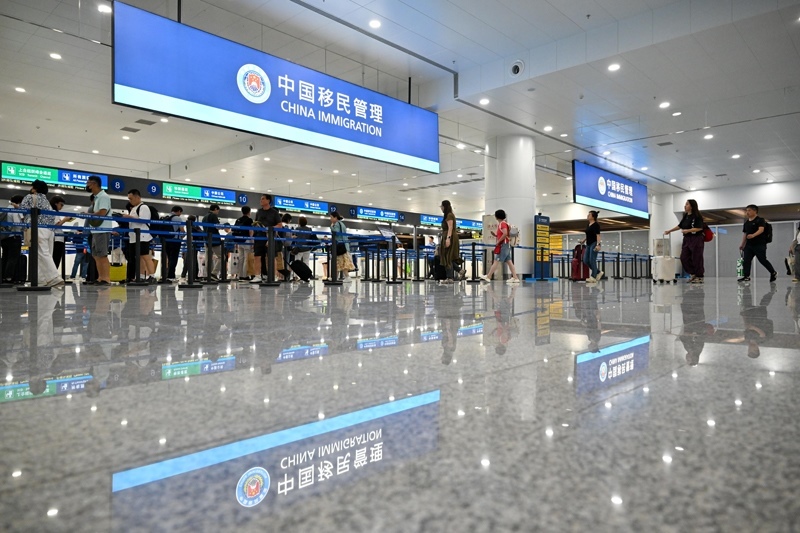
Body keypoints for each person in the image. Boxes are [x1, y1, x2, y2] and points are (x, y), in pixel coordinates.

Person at [19, 179, 62, 287]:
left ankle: (54, 277)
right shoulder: (46, 201)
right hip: (49, 230)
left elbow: (22, 210)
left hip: (37, 228)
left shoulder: (30, 197)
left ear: (35, 188)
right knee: (43, 254)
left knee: (42, 253)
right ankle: (41, 280)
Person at [664, 199, 705, 283]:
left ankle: (699, 276)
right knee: (684, 257)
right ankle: (693, 273)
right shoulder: (686, 216)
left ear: (692, 206)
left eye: (687, 204)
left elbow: (699, 228)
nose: (685, 206)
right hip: (687, 239)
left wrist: (688, 230)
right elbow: (680, 226)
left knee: (697, 257)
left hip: (696, 238)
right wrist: (669, 231)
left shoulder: (697, 216)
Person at [738, 204, 777, 283]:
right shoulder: (746, 223)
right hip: (749, 245)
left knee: (762, 260)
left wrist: (753, 235)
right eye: (746, 210)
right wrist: (742, 244)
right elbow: (745, 234)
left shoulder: (760, 220)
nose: (747, 212)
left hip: (759, 244)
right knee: (746, 260)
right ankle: (746, 276)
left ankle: (773, 272)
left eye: (749, 210)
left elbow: (761, 230)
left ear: (755, 211)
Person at [479, 209, 520, 284]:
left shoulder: (502, 224)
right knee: (509, 262)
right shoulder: (505, 224)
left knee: (496, 260)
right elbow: (505, 234)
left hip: (503, 245)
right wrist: (496, 235)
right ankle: (515, 277)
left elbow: (505, 233)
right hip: (506, 245)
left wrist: (498, 241)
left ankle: (488, 276)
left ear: (497, 216)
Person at [85, 175, 112, 285]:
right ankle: (100, 277)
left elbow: (102, 212)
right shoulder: (96, 197)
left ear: (94, 184)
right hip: (96, 230)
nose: (87, 185)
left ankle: (106, 278)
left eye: (88, 183)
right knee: (96, 255)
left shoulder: (103, 197)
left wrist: (88, 215)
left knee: (102, 255)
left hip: (102, 230)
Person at [251, 194, 281, 284]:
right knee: (257, 256)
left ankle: (273, 275)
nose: (261, 200)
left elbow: (279, 225)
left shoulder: (274, 212)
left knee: (271, 257)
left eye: (263, 199)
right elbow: (255, 223)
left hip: (270, 237)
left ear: (268, 201)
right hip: (259, 236)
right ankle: (257, 276)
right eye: (261, 199)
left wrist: (270, 228)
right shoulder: (259, 212)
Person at [740, 284, 776, 359]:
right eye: (751, 350)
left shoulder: (747, 339)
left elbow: (746, 327)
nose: (749, 348)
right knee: (763, 303)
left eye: (748, 350)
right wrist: (753, 327)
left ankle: (746, 287)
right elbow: (762, 334)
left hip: (750, 317)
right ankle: (772, 291)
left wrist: (743, 317)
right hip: (759, 318)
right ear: (756, 350)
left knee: (746, 302)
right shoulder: (761, 341)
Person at [1, 194, 24, 284]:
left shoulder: (6, 209)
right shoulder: (15, 210)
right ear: (19, 202)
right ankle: (9, 277)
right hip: (14, 237)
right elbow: (17, 224)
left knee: (5, 257)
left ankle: (3, 277)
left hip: (4, 237)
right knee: (13, 258)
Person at [438, 199, 461, 284]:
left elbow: (450, 228)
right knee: (448, 257)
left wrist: (448, 238)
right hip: (448, 236)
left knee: (447, 257)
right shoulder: (449, 215)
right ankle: (460, 270)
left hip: (449, 237)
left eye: (441, 206)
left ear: (444, 206)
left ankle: (450, 278)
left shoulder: (449, 215)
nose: (441, 208)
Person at [330, 211, 355, 282]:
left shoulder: (336, 224)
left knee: (339, 262)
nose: (330, 219)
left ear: (335, 217)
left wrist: (331, 227)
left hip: (339, 246)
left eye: (331, 217)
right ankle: (336, 277)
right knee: (341, 262)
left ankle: (345, 277)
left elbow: (336, 232)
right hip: (344, 245)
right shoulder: (342, 224)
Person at [579, 210, 603, 283]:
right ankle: (598, 272)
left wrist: (598, 245)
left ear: (593, 217)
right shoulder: (588, 224)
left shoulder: (596, 225)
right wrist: (583, 240)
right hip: (588, 244)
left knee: (592, 260)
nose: (587, 216)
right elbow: (588, 235)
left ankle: (593, 277)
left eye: (589, 215)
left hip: (594, 243)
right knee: (585, 260)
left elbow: (598, 235)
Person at [233, 206, 254, 281]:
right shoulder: (249, 220)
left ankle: (240, 275)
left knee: (241, 258)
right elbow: (250, 231)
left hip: (239, 241)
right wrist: (252, 241)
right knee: (246, 258)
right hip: (246, 240)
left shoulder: (238, 219)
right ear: (249, 212)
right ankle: (245, 276)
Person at [164, 206, 184, 282]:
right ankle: (171, 276)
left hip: (166, 240)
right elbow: (182, 230)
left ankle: (167, 275)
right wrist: (183, 235)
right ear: (179, 211)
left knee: (169, 258)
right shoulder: (178, 218)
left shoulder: (166, 217)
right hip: (175, 240)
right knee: (174, 258)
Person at [204, 204, 223, 281]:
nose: (218, 212)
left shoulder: (205, 217)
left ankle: (208, 274)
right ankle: (214, 273)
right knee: (221, 257)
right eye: (218, 210)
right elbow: (217, 226)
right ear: (215, 209)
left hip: (206, 239)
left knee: (208, 258)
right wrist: (222, 226)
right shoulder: (213, 215)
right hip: (214, 239)